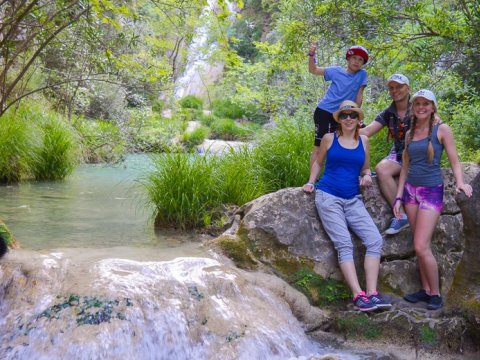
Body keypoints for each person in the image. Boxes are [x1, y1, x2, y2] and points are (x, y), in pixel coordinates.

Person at [303, 100, 391, 312]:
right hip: (328, 196)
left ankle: (372, 294)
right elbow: (318, 162)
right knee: (344, 244)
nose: (348, 119)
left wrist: (367, 176)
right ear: (339, 120)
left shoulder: (364, 141)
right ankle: (357, 295)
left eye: (353, 115)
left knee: (374, 240)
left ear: (359, 119)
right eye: (344, 115)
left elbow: (366, 168)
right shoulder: (329, 138)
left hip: (353, 199)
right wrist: (311, 181)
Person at [393, 89, 473, 310]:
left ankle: (435, 294)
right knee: (419, 245)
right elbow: (405, 168)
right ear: (413, 107)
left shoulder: (442, 129)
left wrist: (460, 182)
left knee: (421, 245)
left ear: (432, 107)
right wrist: (398, 197)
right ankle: (426, 290)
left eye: (425, 104)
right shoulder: (409, 134)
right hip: (410, 192)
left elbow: (455, 161)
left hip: (430, 192)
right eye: (417, 103)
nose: (421, 107)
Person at [360, 74, 411, 235]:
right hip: (398, 154)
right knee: (382, 169)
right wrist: (343, 130)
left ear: (407, 88)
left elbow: (434, 119)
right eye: (391, 88)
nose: (395, 91)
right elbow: (367, 132)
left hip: (419, 155)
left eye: (399, 87)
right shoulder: (389, 112)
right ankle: (401, 216)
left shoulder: (418, 106)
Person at [308, 43, 369, 168]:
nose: (357, 62)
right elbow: (313, 70)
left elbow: (359, 96)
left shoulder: (362, 75)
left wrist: (357, 116)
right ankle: (313, 181)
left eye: (360, 59)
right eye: (354, 58)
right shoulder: (335, 71)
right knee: (319, 147)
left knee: (345, 143)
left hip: (344, 114)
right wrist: (311, 55)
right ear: (348, 58)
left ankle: (352, 173)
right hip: (324, 112)